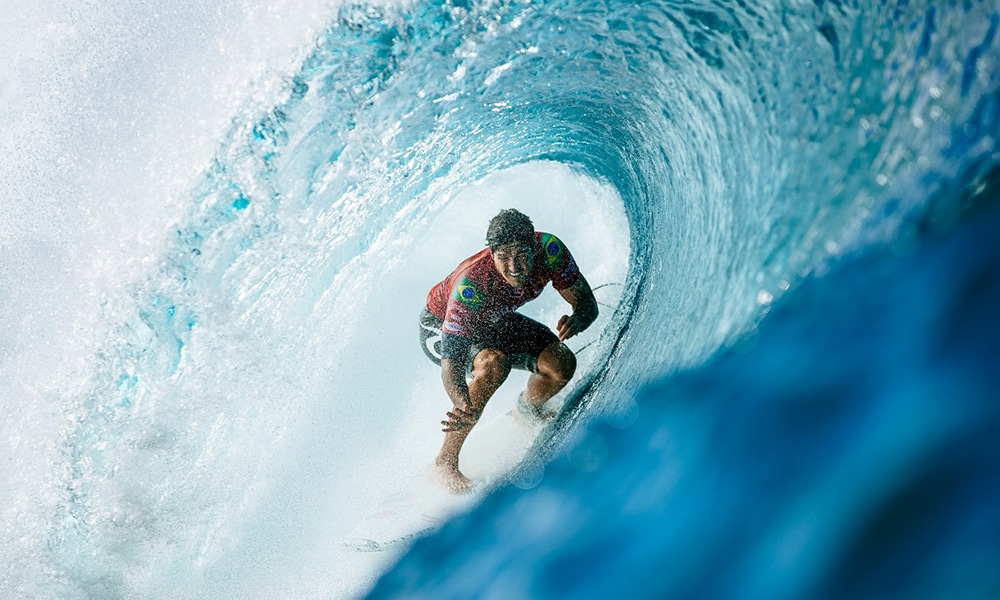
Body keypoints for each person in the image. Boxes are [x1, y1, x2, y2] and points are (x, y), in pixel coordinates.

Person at [418, 208, 599, 493]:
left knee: (561, 363)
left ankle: (527, 409)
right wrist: (461, 399)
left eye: (521, 255)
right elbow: (450, 363)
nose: (513, 266)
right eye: (503, 257)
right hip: (440, 328)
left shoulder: (550, 251)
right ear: (492, 255)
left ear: (533, 247)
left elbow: (588, 305)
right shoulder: (471, 284)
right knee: (493, 365)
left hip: (491, 320)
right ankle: (444, 463)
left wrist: (578, 319)